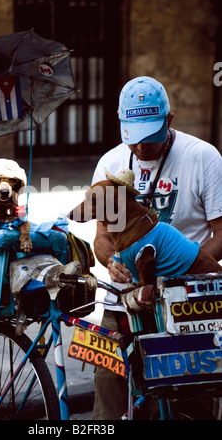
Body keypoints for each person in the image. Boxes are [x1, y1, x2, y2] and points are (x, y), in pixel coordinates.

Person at [91, 76, 222, 420]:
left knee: (188, 403)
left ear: (170, 120)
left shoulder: (203, 157)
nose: (142, 149)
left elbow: (221, 231)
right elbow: (101, 236)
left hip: (185, 303)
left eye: (151, 138)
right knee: (111, 398)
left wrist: (180, 270)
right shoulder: (109, 162)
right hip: (122, 302)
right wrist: (109, 262)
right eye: (134, 139)